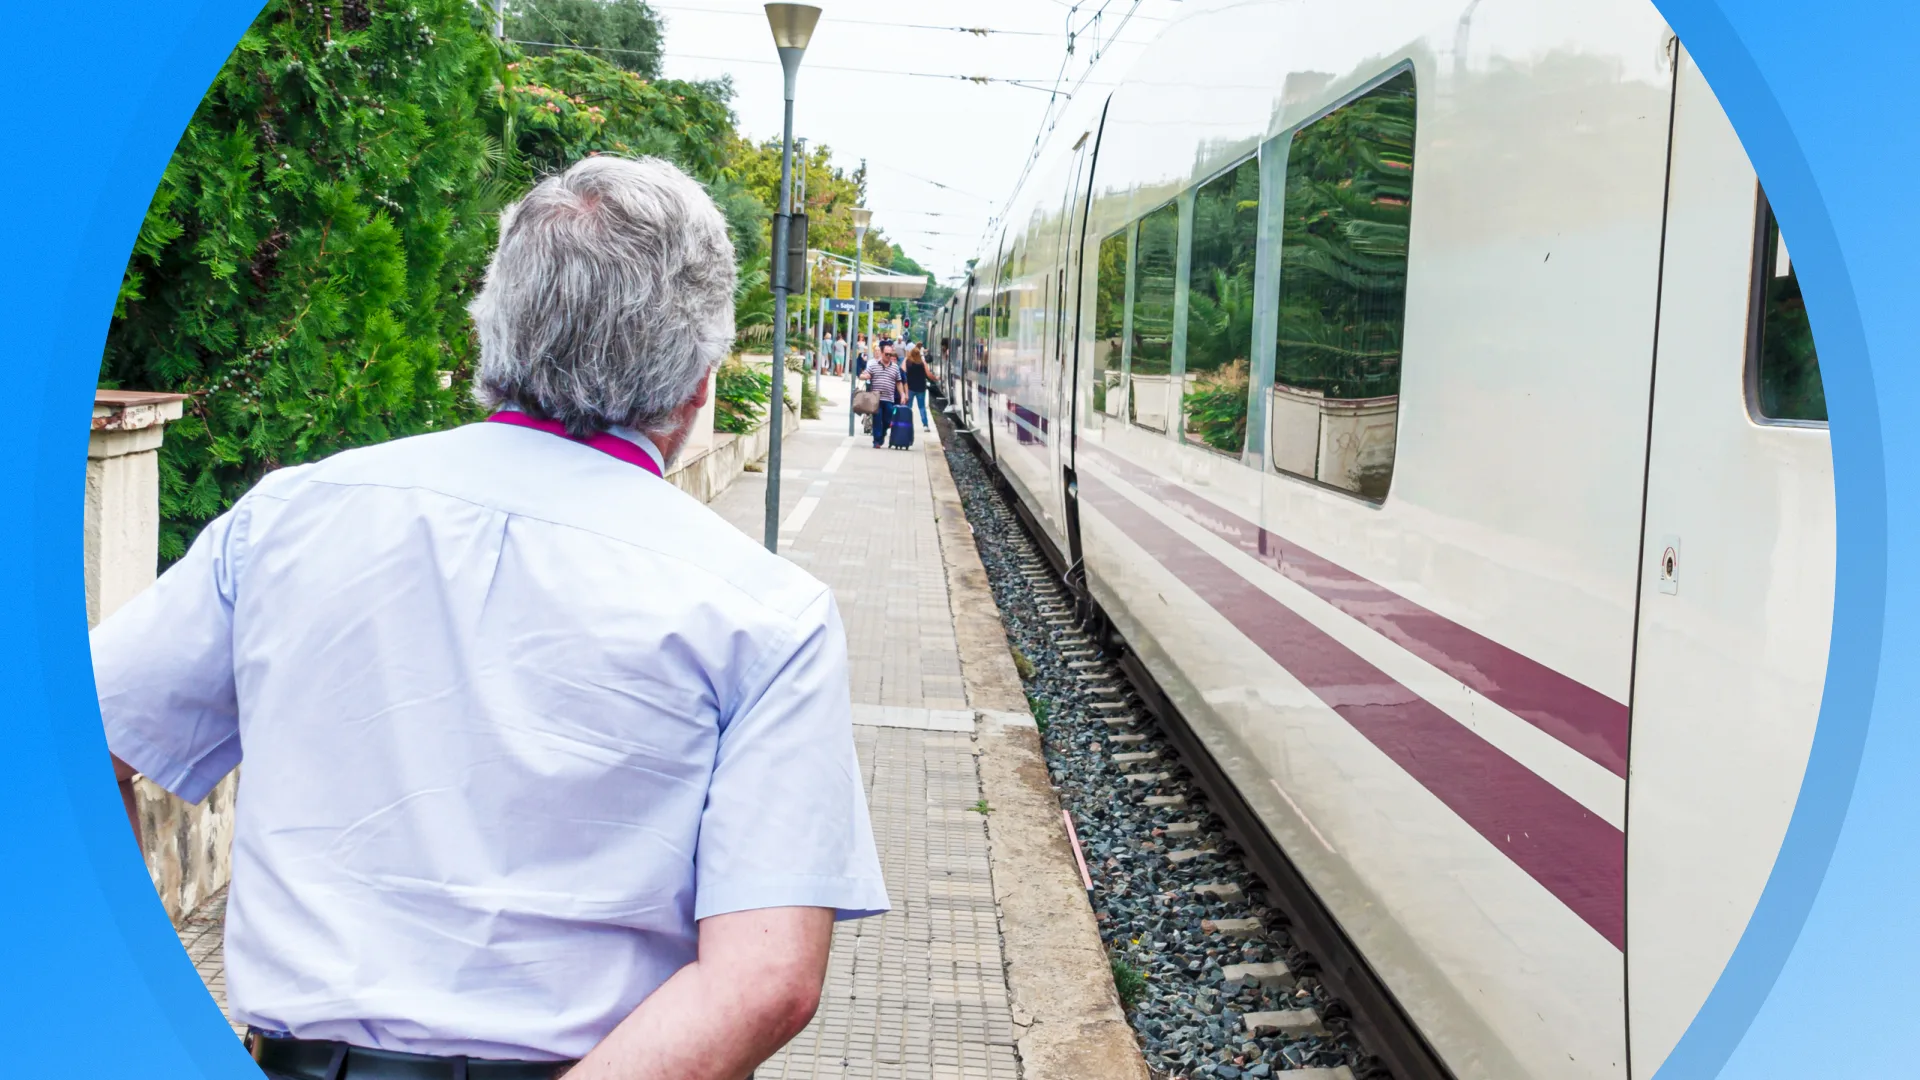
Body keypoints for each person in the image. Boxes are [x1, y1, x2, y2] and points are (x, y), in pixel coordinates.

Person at [92, 155, 888, 1080]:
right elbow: (765, 980)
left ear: (490, 327)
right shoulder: (768, 614)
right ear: (701, 380)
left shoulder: (289, 519)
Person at [864, 344, 903, 449]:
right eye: (886, 354)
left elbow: (899, 382)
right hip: (876, 399)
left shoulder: (895, 367)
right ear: (882, 353)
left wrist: (903, 394)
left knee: (887, 420)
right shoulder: (873, 365)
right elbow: (864, 374)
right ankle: (876, 441)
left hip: (889, 399)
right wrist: (865, 376)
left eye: (890, 354)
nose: (888, 356)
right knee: (877, 419)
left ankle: (883, 433)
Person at [903, 345, 932, 431]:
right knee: (922, 407)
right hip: (921, 389)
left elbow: (902, 370)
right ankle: (925, 425)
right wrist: (936, 378)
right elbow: (928, 374)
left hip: (910, 388)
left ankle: (906, 424)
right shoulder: (922, 363)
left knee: (908, 407)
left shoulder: (908, 363)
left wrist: (906, 358)